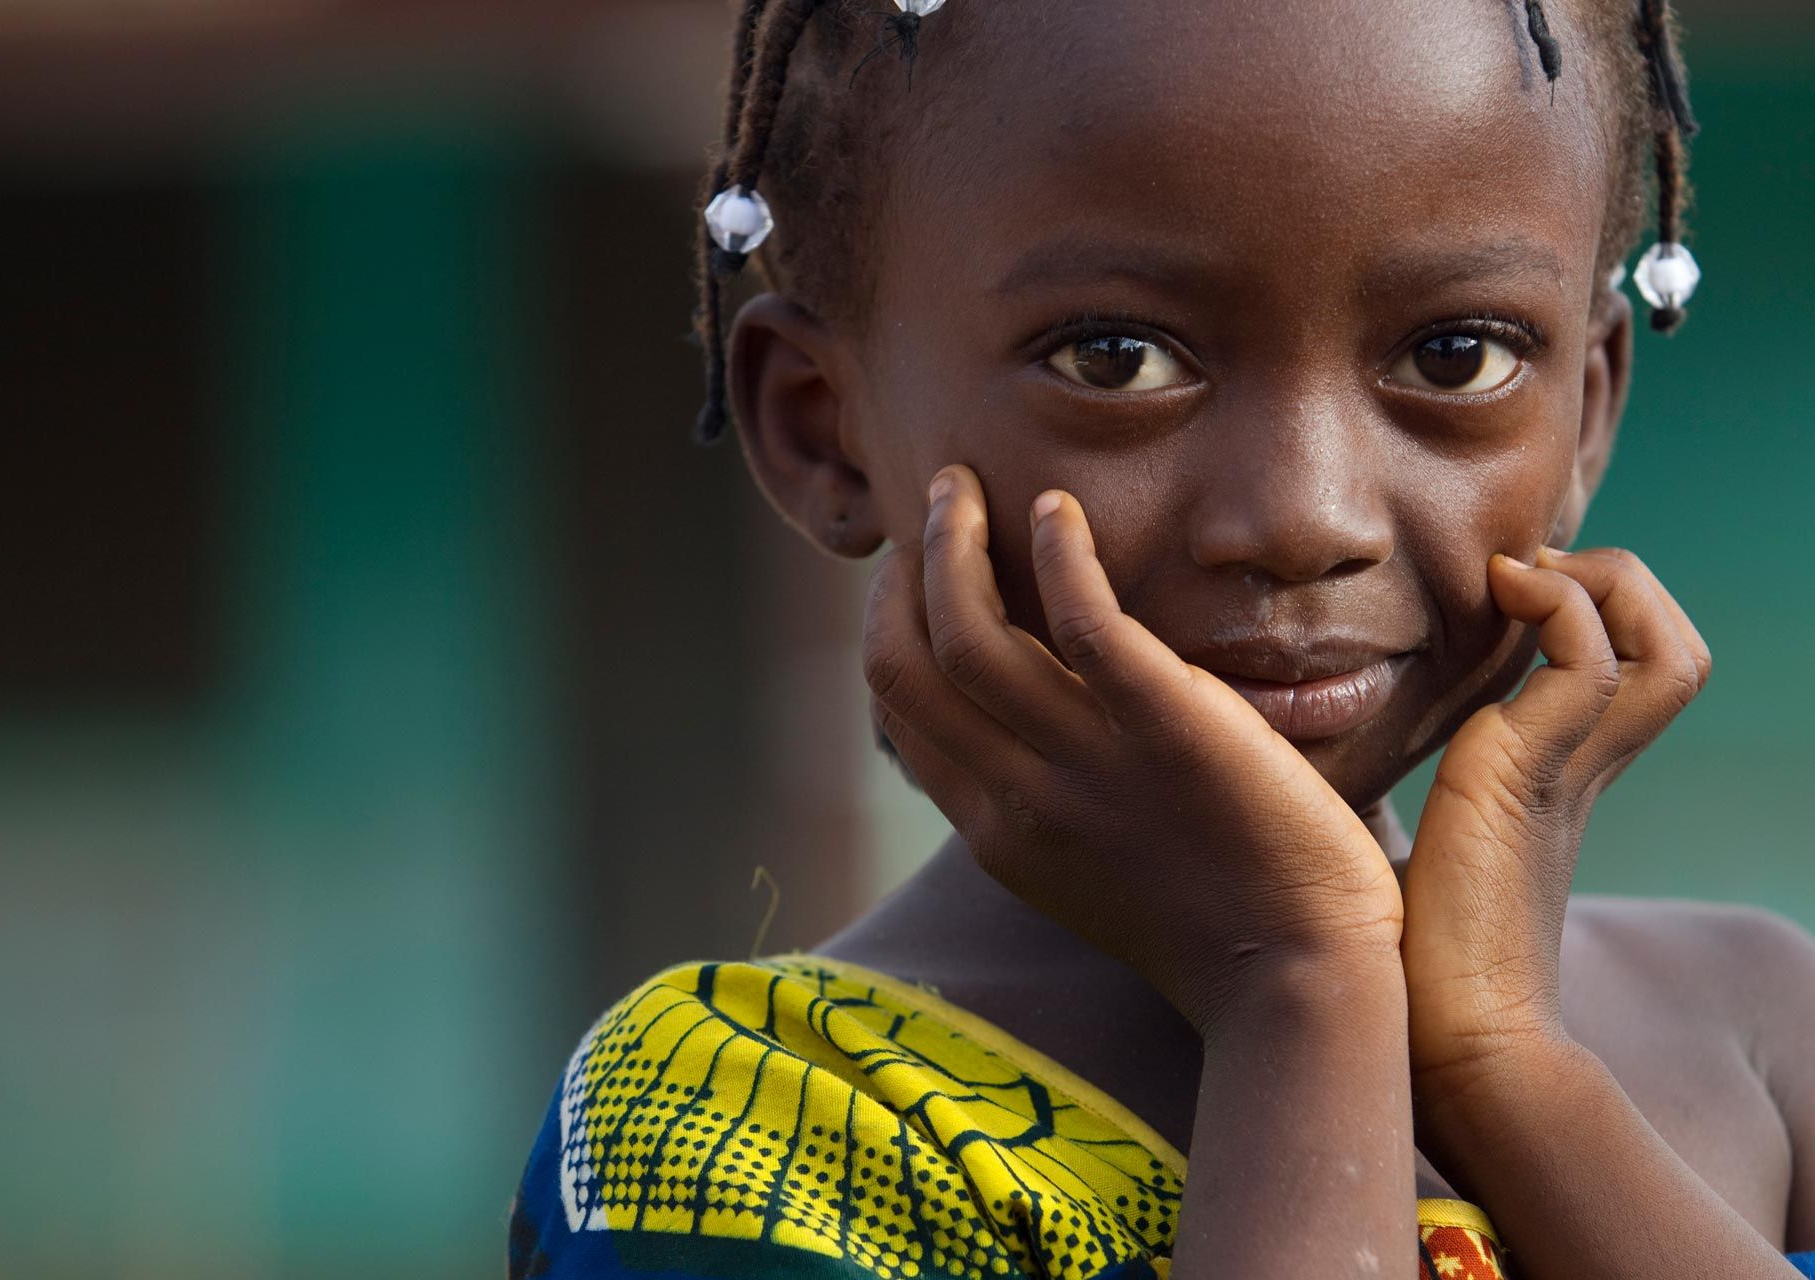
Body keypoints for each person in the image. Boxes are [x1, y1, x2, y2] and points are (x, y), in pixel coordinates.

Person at [510, 0, 1815, 1274]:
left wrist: (1511, 1073)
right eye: (1117, 357)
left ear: (1584, 416)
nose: (1304, 519)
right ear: (819, 426)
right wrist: (1298, 989)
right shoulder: (745, 1127)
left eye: (1457, 354)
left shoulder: (1757, 1030)